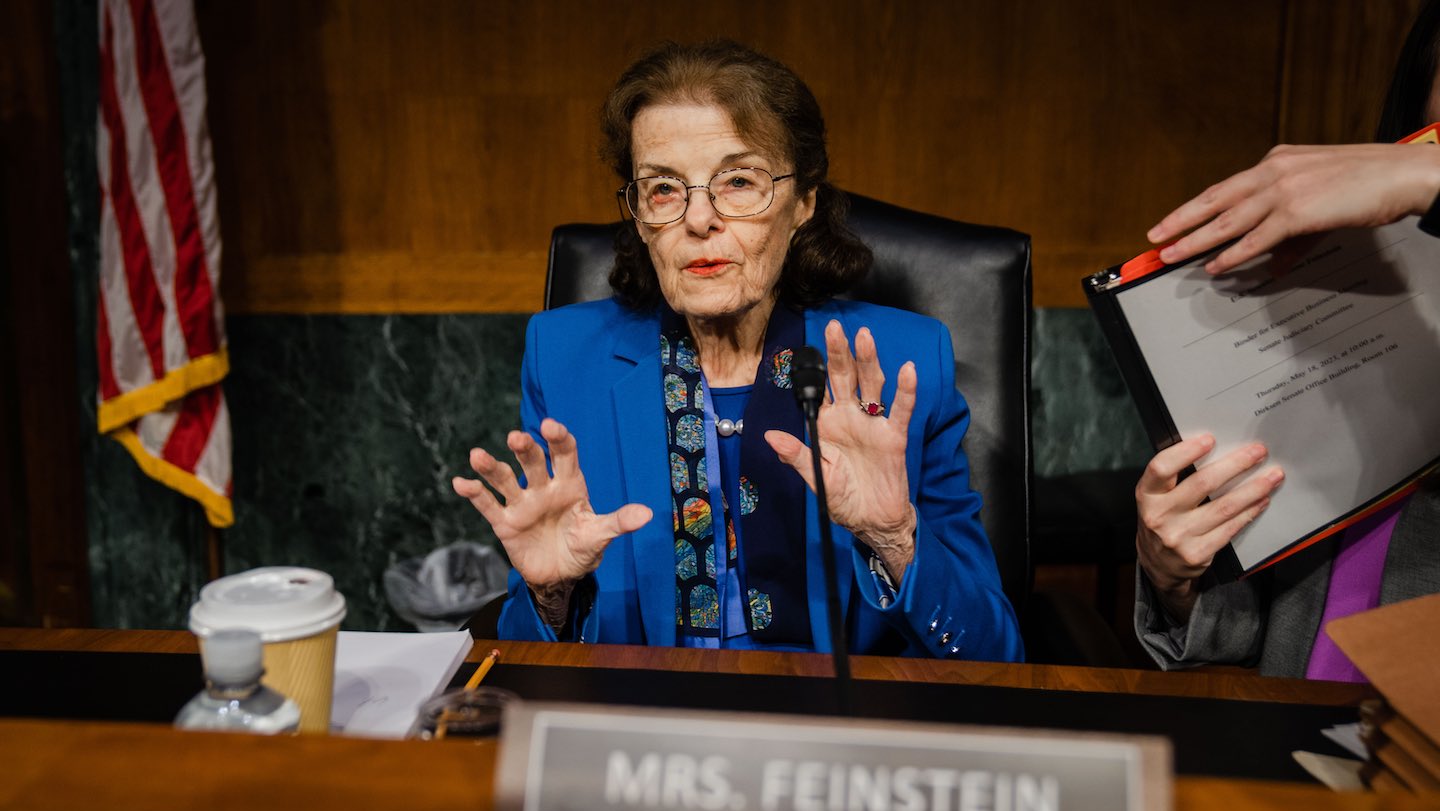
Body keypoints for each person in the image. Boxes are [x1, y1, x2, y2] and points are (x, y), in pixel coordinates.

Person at [452, 40, 1023, 660]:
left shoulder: (906, 360)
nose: (700, 219)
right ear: (640, 218)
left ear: (803, 201)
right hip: (643, 722)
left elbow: (995, 657)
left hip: (834, 730)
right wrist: (551, 595)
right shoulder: (566, 357)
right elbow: (526, 655)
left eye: (739, 181)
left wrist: (895, 538)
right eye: (665, 189)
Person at [1134, 0, 1440, 678]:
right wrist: (1178, 578)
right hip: (1305, 752)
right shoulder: (1343, 278)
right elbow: (1244, 639)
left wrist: (1430, 177)